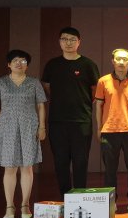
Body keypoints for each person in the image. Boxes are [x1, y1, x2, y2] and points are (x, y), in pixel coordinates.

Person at [0, 50, 47, 218]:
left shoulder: (34, 82)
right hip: (7, 129)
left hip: (29, 127)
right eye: (15, 60)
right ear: (9, 64)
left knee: (27, 167)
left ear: (27, 65)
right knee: (10, 168)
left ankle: (25, 204)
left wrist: (42, 127)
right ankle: (9, 206)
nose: (19, 63)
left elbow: (41, 105)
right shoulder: (1, 82)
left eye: (23, 61)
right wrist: (5, 117)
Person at [41, 27, 100, 197]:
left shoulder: (88, 65)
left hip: (81, 121)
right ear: (59, 42)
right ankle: (65, 197)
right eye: (64, 39)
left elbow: (95, 91)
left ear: (79, 42)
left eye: (72, 39)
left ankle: (79, 197)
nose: (68, 42)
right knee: (60, 162)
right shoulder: (52, 64)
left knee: (81, 161)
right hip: (57, 121)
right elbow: (47, 87)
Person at [95, 49, 128, 213]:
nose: (121, 62)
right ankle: (111, 202)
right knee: (110, 169)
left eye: (125, 59)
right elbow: (98, 106)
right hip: (109, 130)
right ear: (113, 61)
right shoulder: (103, 81)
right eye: (118, 59)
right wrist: (99, 128)